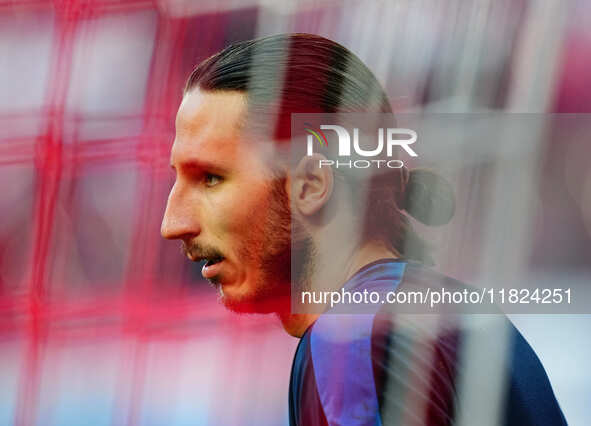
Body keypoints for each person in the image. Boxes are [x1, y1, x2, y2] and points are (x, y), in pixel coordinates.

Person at [161, 33, 567, 425]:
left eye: (210, 178)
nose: (173, 224)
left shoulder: (350, 340)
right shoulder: (461, 312)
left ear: (311, 185)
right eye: (177, 178)